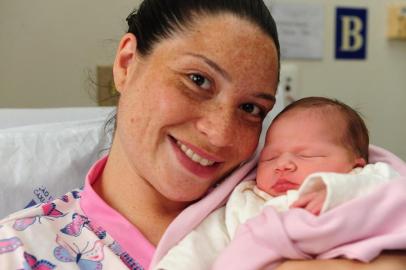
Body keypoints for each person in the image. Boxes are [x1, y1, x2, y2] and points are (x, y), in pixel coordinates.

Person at [0, 1, 405, 269]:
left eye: (251, 109)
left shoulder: (274, 191)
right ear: (126, 64)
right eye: (198, 80)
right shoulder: (21, 250)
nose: (220, 134)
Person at [154, 97, 402, 270]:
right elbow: (205, 241)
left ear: (355, 165)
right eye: (270, 157)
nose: (283, 165)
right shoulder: (247, 199)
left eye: (306, 155)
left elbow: (394, 195)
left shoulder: (365, 179)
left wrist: (335, 191)